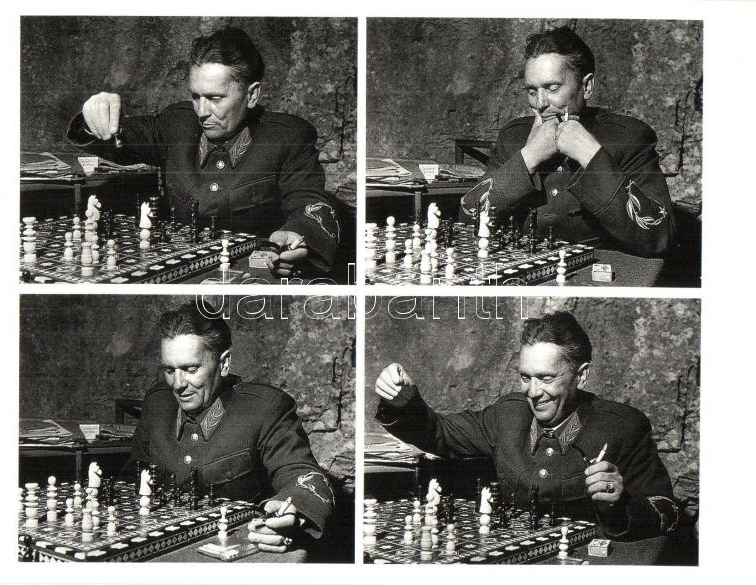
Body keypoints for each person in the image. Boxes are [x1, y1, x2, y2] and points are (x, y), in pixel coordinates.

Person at [374, 311, 678, 541]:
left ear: (581, 376)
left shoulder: (623, 427)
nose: (533, 392)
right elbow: (439, 433)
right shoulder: (508, 415)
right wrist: (404, 403)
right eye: (525, 377)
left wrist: (620, 504)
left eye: (546, 378)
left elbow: (668, 512)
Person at [67, 27, 340, 277]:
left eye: (215, 98)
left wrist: (296, 235)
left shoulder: (287, 137)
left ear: (252, 95)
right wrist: (96, 116)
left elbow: (310, 204)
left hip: (250, 283)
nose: (201, 112)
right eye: (196, 96)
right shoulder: (176, 123)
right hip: (177, 278)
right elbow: (117, 139)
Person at [128, 302, 335, 553]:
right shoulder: (157, 404)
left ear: (224, 363)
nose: (178, 384)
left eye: (191, 369)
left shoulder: (265, 409)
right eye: (169, 370)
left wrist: (294, 513)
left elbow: (305, 476)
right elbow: (132, 476)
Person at [460, 27, 674, 258]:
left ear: (586, 86)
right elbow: (467, 217)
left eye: (552, 88)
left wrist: (592, 156)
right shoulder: (513, 137)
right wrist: (528, 157)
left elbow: (659, 237)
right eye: (532, 90)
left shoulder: (628, 138)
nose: (540, 103)